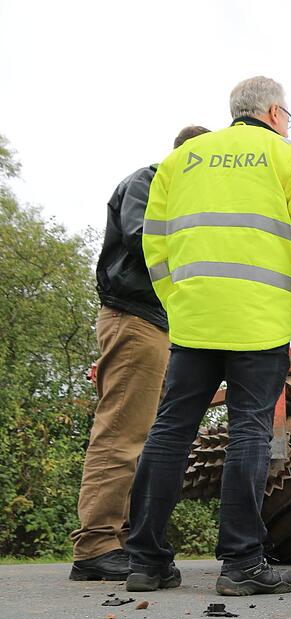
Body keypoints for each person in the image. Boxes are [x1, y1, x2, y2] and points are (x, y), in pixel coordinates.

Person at [125, 76, 291, 595]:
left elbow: (155, 243)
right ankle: (241, 562)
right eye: (287, 115)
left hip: (195, 318)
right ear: (272, 111)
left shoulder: (181, 161)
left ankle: (146, 562)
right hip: (257, 321)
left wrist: (180, 302)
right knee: (249, 430)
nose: (288, 124)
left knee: (171, 429)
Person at [69, 125, 210, 581]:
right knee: (122, 433)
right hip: (135, 318)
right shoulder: (148, 182)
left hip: (157, 323)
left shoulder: (170, 191)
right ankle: (95, 545)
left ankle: (122, 540)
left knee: (143, 436)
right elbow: (143, 239)